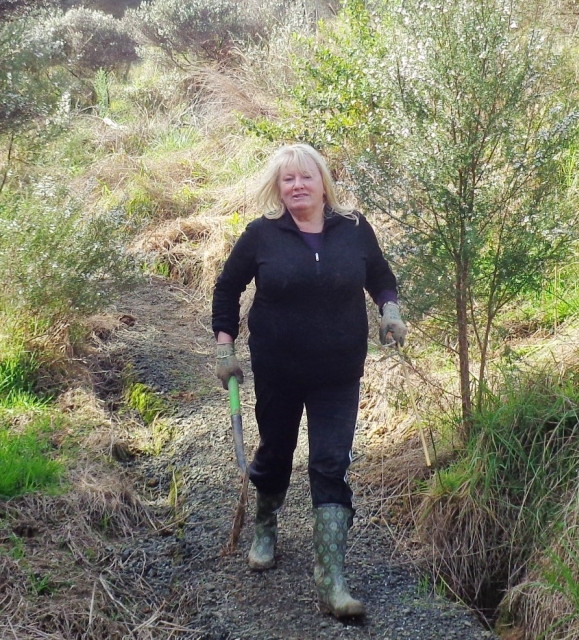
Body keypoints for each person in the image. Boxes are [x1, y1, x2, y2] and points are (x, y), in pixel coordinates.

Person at [211, 143, 406, 619]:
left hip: (338, 371)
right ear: (278, 188)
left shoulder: (354, 229)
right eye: (288, 179)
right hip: (278, 368)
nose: (298, 185)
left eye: (306, 177)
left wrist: (390, 309)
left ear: (323, 183)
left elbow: (381, 276)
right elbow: (227, 288)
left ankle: (331, 580)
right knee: (276, 451)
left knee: (331, 463)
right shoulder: (261, 235)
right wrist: (224, 348)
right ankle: (265, 525)